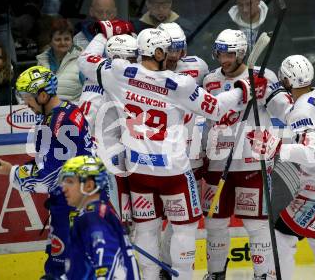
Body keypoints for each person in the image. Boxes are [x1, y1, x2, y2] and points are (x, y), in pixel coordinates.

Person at [78, 25, 262, 280]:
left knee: (146, 230)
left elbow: (85, 60)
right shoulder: (179, 83)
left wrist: (103, 33)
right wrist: (243, 89)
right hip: (173, 172)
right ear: (159, 51)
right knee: (185, 229)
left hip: (137, 169)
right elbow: (217, 109)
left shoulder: (118, 72)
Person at [253, 55, 315, 280]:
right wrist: (272, 94)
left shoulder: (302, 110)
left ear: (288, 80)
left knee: (282, 237)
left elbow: (310, 153)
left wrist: (277, 147)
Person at [201, 29, 292, 280]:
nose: (223, 60)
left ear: (242, 53)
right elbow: (208, 120)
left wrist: (273, 94)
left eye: (229, 54)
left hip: (252, 163)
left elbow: (284, 109)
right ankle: (215, 274)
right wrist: (202, 151)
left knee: (256, 224)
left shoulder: (264, 76)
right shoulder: (210, 80)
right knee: (215, 223)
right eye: (220, 54)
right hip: (218, 162)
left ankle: (262, 275)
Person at [0, 65, 93, 279]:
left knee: (69, 269)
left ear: (43, 94)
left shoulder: (60, 122)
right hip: (69, 202)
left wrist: (13, 173)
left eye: (27, 96)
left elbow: (49, 175)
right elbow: (47, 161)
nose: (24, 103)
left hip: (75, 206)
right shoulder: (61, 112)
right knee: (58, 264)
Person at [156, 21, 209, 280]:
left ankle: (168, 267)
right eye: (171, 49)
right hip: (157, 157)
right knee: (154, 221)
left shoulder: (197, 67)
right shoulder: (146, 71)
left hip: (191, 156)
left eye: (179, 49)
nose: (175, 55)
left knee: (181, 220)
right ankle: (158, 268)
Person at [78, 33, 138, 222]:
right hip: (110, 162)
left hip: (121, 159)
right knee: (120, 220)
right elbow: (84, 126)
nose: (135, 63)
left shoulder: (95, 78)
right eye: (131, 58)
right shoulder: (107, 85)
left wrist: (102, 35)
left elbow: (86, 59)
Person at [59, 155, 141, 280]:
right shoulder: (92, 214)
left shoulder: (94, 221)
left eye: (70, 181)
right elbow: (83, 269)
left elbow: (108, 270)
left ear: (89, 186)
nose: (63, 188)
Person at [37, 18, 84, 102]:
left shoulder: (82, 60)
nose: (62, 43)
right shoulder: (42, 61)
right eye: (58, 39)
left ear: (72, 40)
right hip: (48, 111)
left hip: (73, 111)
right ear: (50, 41)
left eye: (66, 39)